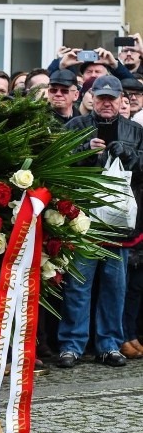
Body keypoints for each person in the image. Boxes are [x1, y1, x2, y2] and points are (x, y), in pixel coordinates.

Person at [59, 74, 143, 369]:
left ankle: (109, 344)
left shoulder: (135, 130)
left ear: (122, 100)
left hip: (118, 224)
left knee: (114, 287)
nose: (107, 103)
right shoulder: (75, 127)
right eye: (101, 98)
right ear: (91, 98)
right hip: (82, 221)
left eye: (112, 98)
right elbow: (58, 163)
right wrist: (84, 152)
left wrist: (131, 155)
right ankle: (71, 345)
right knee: (77, 287)